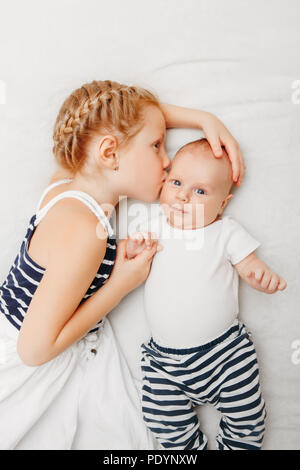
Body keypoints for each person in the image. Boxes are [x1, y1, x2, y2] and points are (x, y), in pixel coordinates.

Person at [0, 80, 244, 450]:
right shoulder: (86, 233)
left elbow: (135, 118)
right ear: (110, 153)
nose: (167, 159)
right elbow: (33, 350)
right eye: (157, 145)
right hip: (27, 363)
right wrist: (120, 284)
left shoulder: (65, 185)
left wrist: (203, 120)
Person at [126, 138, 287, 450]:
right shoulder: (153, 225)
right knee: (159, 415)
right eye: (176, 182)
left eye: (200, 191)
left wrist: (259, 277)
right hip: (164, 362)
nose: (183, 196)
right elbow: (130, 256)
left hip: (225, 354)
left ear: (222, 204)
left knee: (247, 415)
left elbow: (248, 265)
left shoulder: (225, 232)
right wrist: (134, 249)